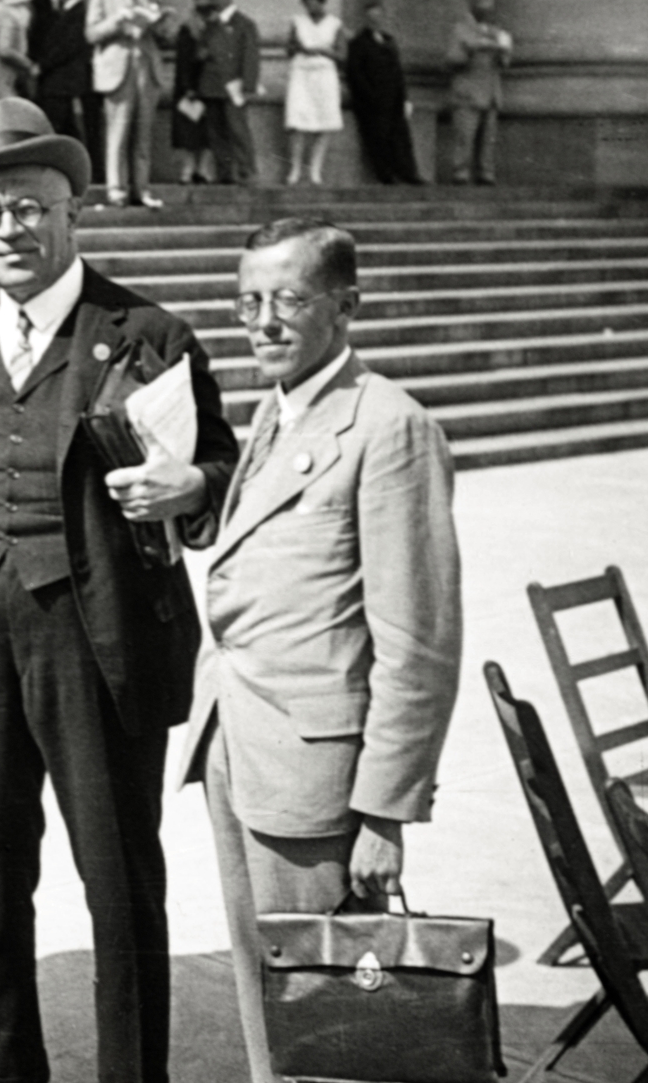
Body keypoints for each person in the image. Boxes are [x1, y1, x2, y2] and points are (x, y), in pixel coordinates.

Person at [0, 98, 239, 1083]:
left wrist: (195, 487)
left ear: (71, 211)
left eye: (28, 208)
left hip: (94, 635)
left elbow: (218, 462)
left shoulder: (144, 333)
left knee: (117, 877)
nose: (7, 231)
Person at [176, 217, 462, 1083]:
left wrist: (385, 813)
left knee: (327, 1017)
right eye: (248, 301)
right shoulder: (278, 407)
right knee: (274, 995)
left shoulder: (389, 428)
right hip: (241, 740)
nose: (262, 322)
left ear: (346, 307)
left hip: (317, 778)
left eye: (288, 301)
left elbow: (420, 641)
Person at [87, 0, 174, 208]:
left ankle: (141, 189)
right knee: (118, 131)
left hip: (145, 68)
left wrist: (159, 24)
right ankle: (116, 189)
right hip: (118, 69)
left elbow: (157, 35)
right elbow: (91, 33)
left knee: (143, 132)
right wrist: (118, 19)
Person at [346, 0, 423, 185]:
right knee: (378, 137)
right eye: (372, 17)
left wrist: (404, 97)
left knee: (400, 138)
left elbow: (397, 72)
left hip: (393, 99)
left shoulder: (389, 41)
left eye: (379, 17)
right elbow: (355, 73)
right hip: (372, 100)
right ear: (366, 19)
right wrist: (370, 95)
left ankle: (408, 173)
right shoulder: (358, 43)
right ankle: (385, 174)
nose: (376, 21)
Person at [195, 0, 261, 186]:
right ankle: (224, 172)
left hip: (234, 86)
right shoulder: (210, 24)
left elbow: (250, 56)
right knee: (216, 131)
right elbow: (200, 52)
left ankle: (246, 170)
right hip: (211, 84)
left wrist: (248, 85)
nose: (214, 0)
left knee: (237, 129)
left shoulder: (244, 24)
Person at [284, 0, 346, 186]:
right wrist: (300, 48)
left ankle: (315, 170)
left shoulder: (335, 24)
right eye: (307, 3)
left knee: (324, 122)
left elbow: (342, 54)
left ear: (322, 2)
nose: (310, 7)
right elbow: (289, 48)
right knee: (298, 122)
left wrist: (323, 51)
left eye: (314, 3)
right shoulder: (297, 21)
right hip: (301, 74)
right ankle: (295, 169)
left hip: (324, 75)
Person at [446, 0, 511, 184]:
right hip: (468, 92)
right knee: (465, 136)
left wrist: (502, 50)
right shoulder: (460, 30)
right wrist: (471, 50)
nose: (487, 14)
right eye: (483, 9)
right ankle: (461, 172)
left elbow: (505, 63)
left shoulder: (497, 32)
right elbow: (450, 61)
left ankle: (486, 172)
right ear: (473, 9)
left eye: (489, 10)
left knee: (488, 138)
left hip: (491, 92)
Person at [31, 0, 97, 149]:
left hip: (63, 84)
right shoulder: (68, 11)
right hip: (62, 83)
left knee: (59, 130)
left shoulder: (79, 13)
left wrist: (42, 65)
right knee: (67, 131)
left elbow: (65, 47)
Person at [171, 0, 216, 185]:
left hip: (209, 86)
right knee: (188, 133)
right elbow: (182, 62)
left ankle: (203, 170)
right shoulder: (187, 29)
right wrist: (187, 87)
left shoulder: (215, 28)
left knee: (207, 133)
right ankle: (188, 170)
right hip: (189, 87)